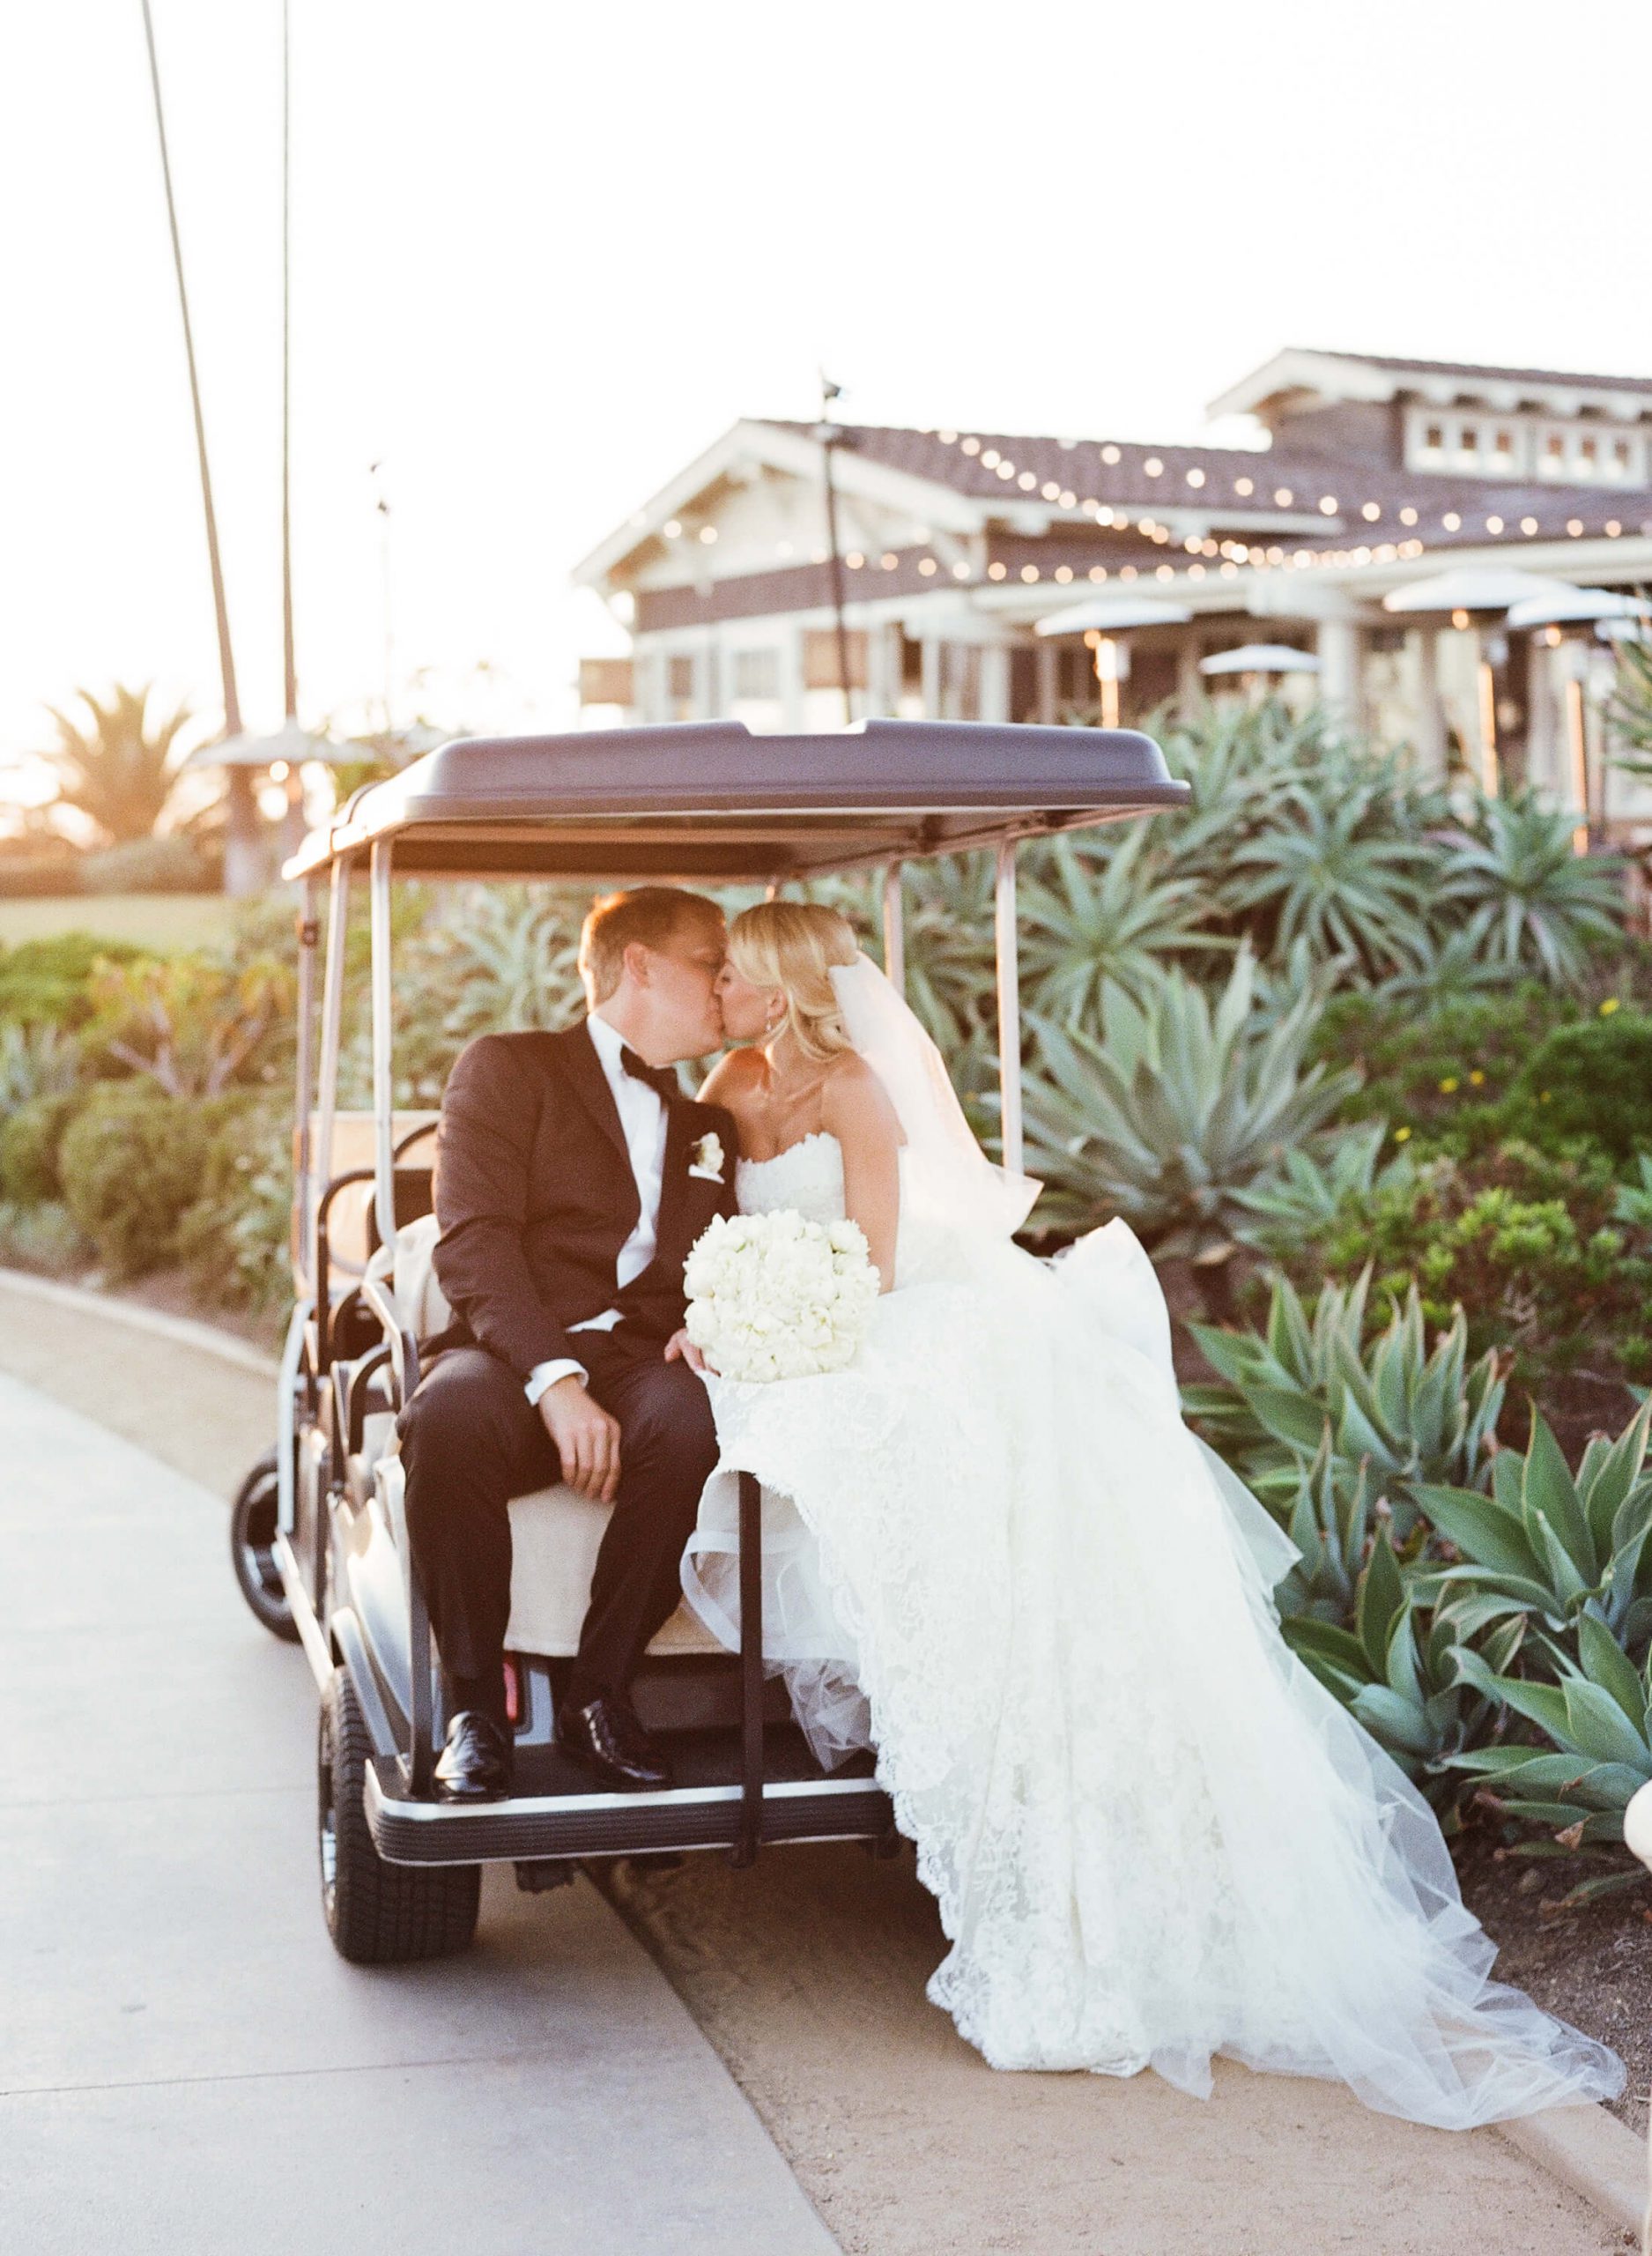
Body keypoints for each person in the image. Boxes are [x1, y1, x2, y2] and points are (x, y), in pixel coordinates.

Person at [674, 898, 1625, 2128]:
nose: (719, 994)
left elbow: (878, 1252)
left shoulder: (852, 1082)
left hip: (880, 1306)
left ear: (781, 985)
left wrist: (785, 1322)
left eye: (735, 977)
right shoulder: (731, 1079)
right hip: (785, 1316)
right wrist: (738, 1313)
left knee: (868, 1431)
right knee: (792, 1429)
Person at [396, 886, 737, 1803]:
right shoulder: (508, 1069)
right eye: (712, 960)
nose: (728, 980)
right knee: (450, 1418)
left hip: (639, 1359)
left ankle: (601, 1690)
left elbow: (722, 1259)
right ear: (640, 964)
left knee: (690, 1421)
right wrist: (554, 1381)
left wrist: (708, 1326)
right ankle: (473, 1708)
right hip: (510, 1348)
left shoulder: (711, 1128)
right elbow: (473, 1238)